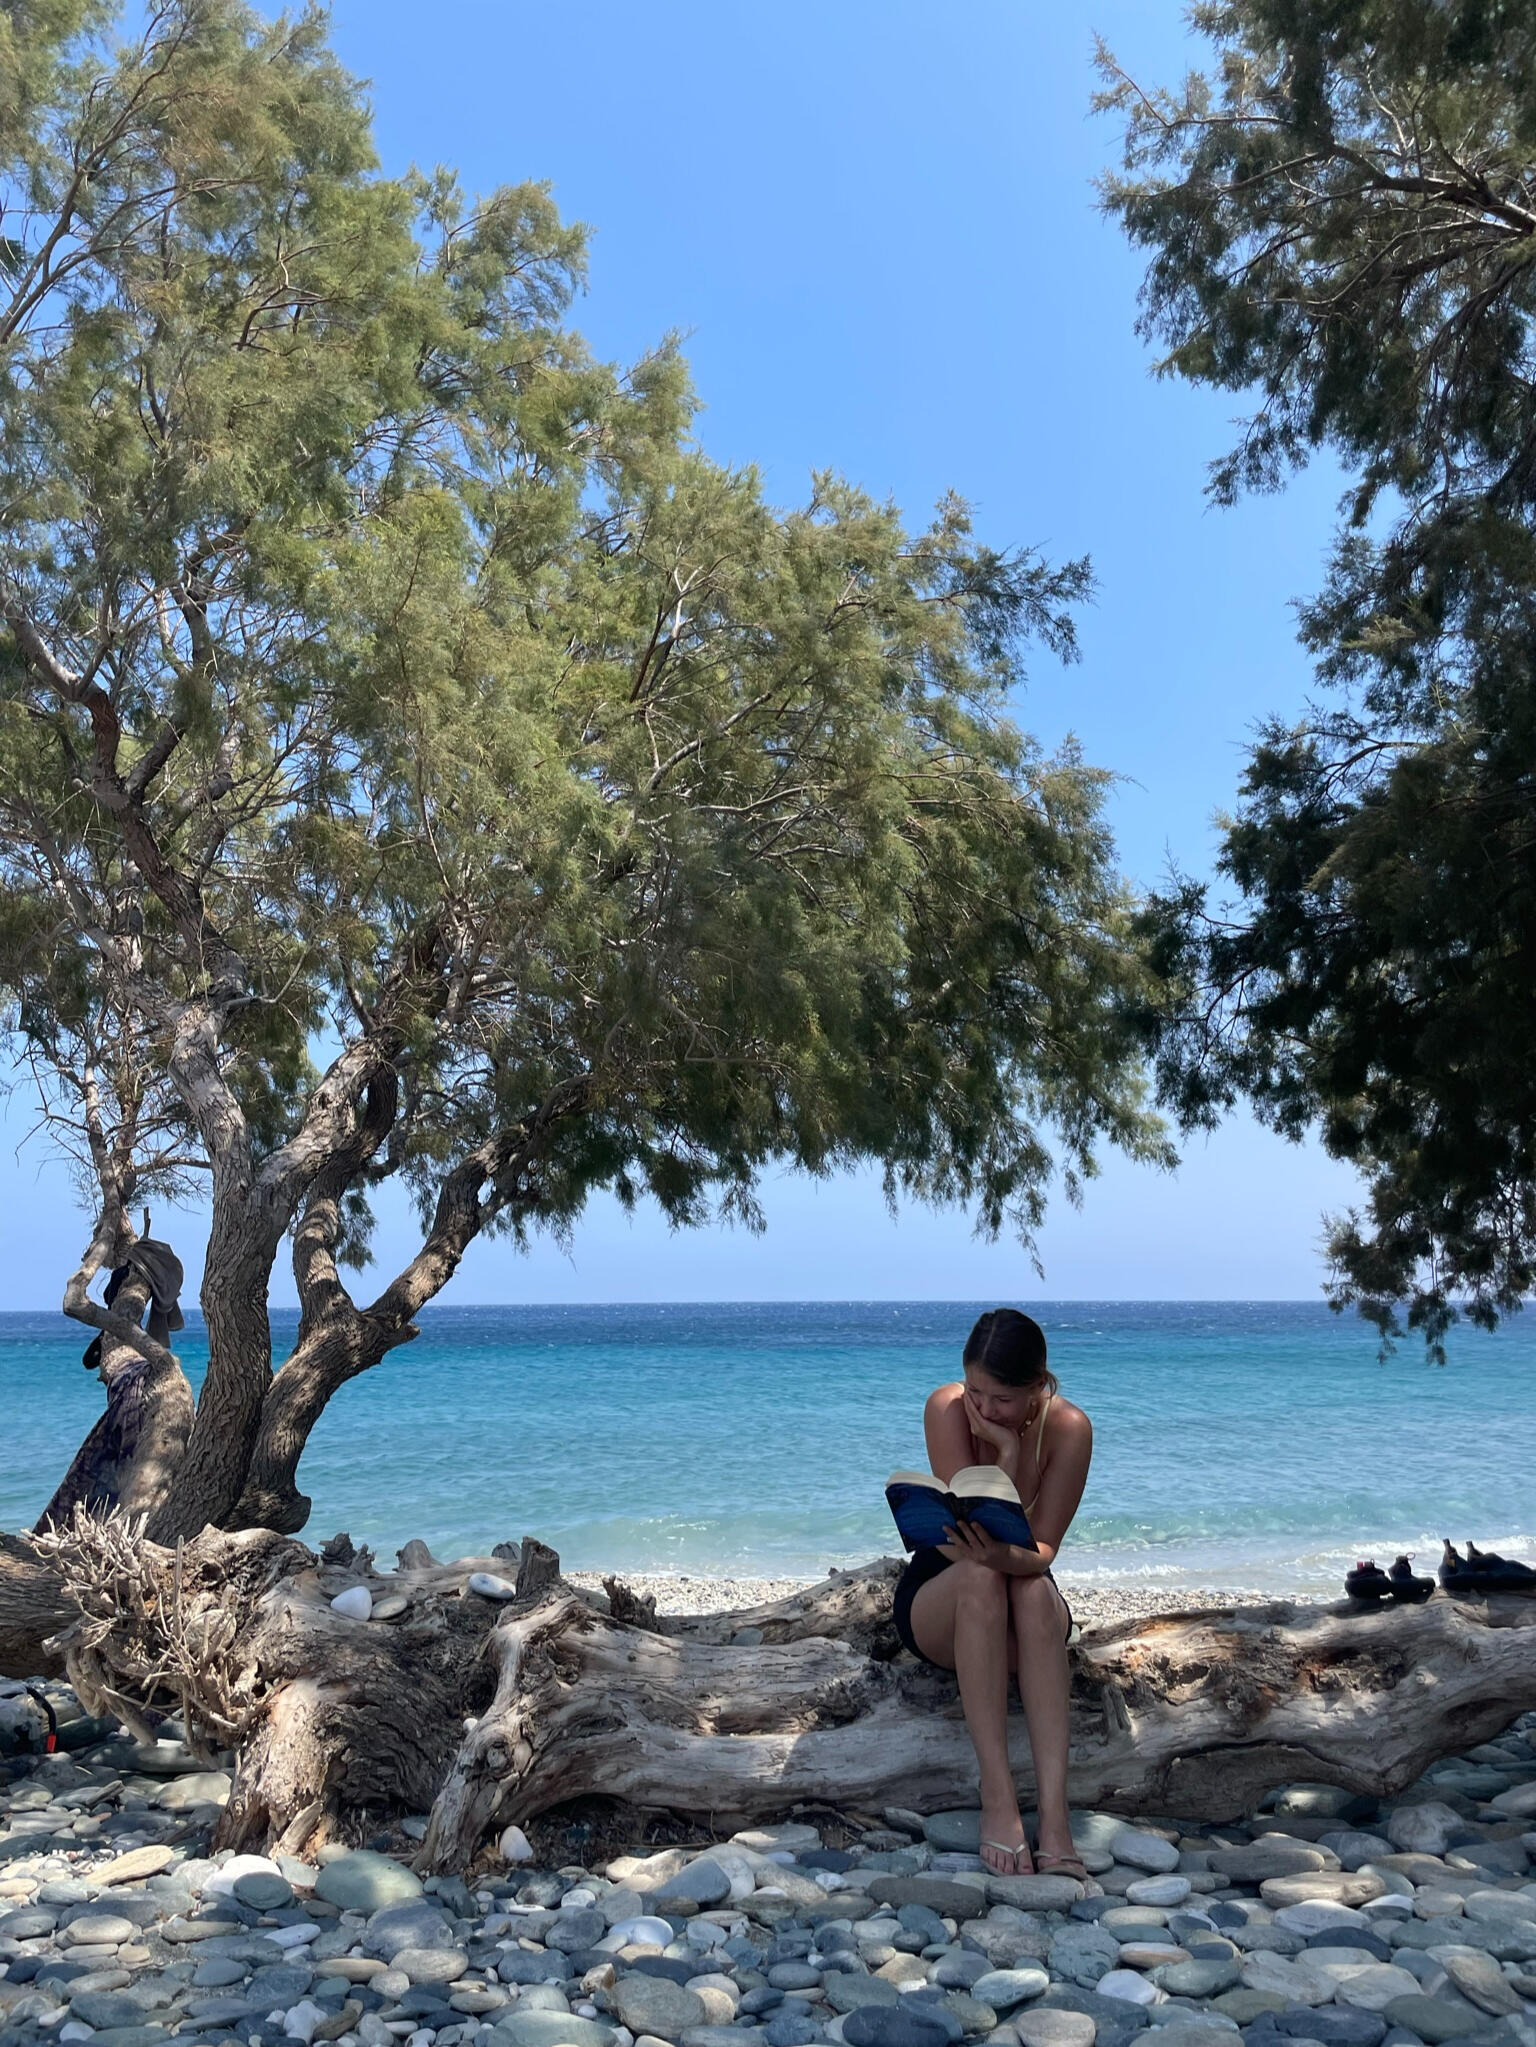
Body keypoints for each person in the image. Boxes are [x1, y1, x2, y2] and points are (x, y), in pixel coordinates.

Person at [891, 1307, 1093, 1878]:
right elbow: (960, 1544)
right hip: (944, 1594)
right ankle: (998, 1800)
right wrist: (996, 1445)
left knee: (1029, 1591)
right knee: (983, 1575)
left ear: (1039, 1386)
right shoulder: (947, 1408)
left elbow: (1041, 1549)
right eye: (975, 1390)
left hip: (1025, 1589)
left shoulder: (1070, 1429)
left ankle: (1055, 1819)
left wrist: (1007, 1454)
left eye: (1001, 1400)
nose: (982, 1408)